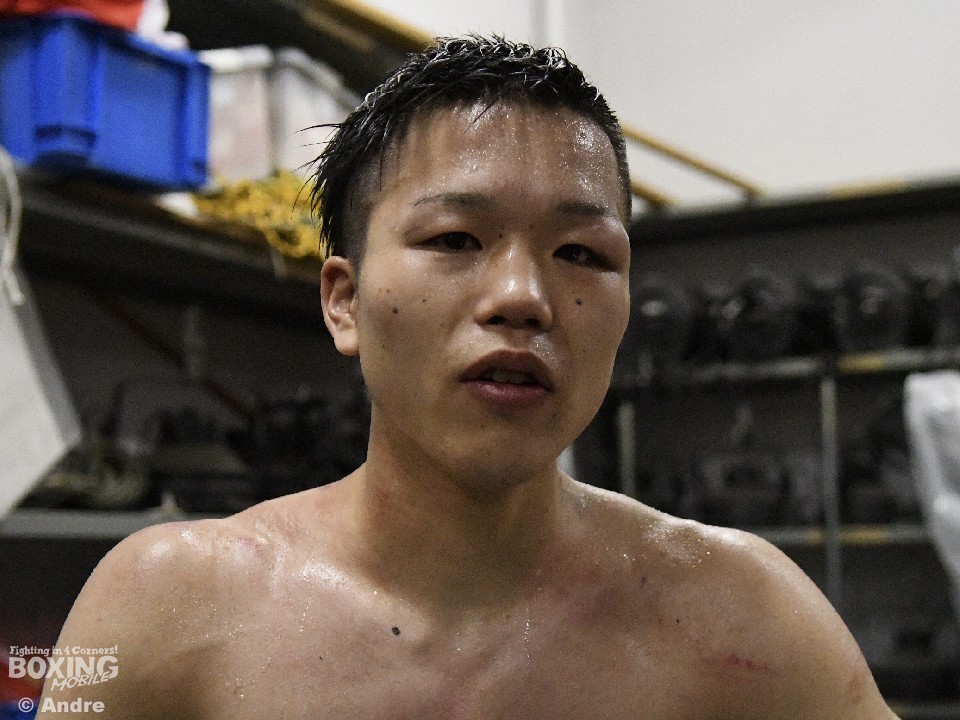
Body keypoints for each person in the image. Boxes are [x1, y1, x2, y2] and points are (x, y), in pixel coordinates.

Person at [39, 36, 898, 719]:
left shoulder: (742, 614)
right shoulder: (160, 606)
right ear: (344, 301)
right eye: (455, 239)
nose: (523, 297)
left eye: (581, 254)